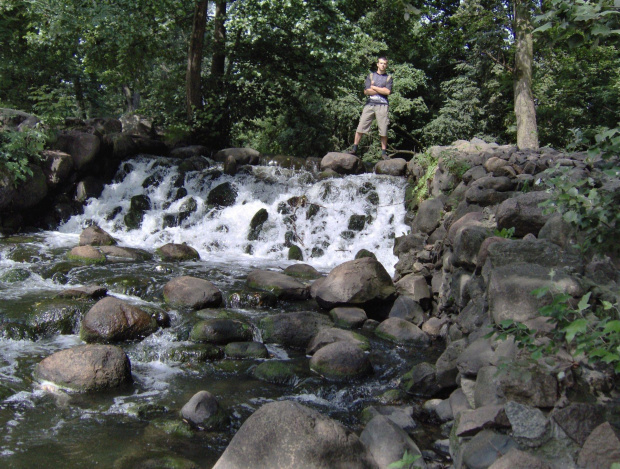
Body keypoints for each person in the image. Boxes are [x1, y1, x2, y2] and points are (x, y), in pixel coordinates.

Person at [350, 57, 393, 159]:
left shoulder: (389, 78)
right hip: (370, 104)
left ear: (386, 65)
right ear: (377, 64)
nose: (383, 65)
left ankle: (383, 153)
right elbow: (366, 91)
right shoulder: (370, 75)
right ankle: (354, 148)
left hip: (383, 105)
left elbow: (387, 92)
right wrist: (380, 89)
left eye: (385, 64)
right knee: (361, 126)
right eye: (381, 63)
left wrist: (374, 87)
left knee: (383, 129)